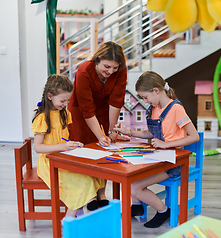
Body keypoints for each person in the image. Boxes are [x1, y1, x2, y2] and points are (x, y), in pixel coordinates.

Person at [113, 71, 199, 228]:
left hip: (174, 163)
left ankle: (163, 211)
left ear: (156, 90)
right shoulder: (154, 108)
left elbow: (194, 136)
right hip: (157, 158)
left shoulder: (176, 109)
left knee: (133, 186)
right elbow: (151, 134)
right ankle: (138, 206)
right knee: (128, 174)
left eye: (145, 97)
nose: (145, 101)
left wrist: (166, 144)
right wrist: (129, 132)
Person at [31, 74, 108, 217]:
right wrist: (62, 147)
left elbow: (63, 139)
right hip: (49, 163)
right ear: (49, 96)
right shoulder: (42, 118)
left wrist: (72, 145)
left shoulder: (64, 113)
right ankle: (69, 219)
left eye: (68, 100)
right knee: (83, 182)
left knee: (92, 174)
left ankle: (82, 206)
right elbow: (38, 148)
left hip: (63, 158)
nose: (65, 104)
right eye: (62, 100)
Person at [68, 41, 128, 146]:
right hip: (81, 113)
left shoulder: (121, 70)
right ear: (97, 60)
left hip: (104, 112)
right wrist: (100, 136)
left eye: (115, 68)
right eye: (107, 66)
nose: (111, 71)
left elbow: (116, 101)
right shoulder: (84, 72)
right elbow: (87, 109)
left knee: (104, 145)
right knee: (84, 144)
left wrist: (111, 131)